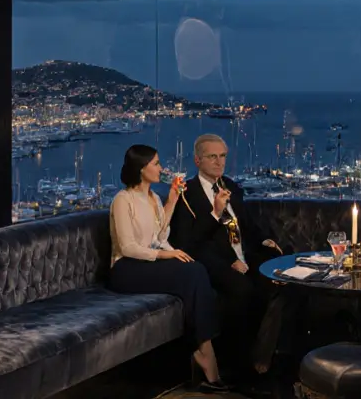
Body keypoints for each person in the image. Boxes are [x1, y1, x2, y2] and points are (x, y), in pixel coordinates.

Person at [109, 144, 228, 393]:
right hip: (126, 270)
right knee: (193, 273)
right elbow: (128, 247)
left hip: (146, 263)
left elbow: (160, 235)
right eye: (156, 164)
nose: (161, 168)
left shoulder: (153, 198)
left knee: (196, 269)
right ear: (141, 169)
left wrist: (172, 201)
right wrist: (166, 254)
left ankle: (203, 351)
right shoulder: (123, 200)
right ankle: (206, 355)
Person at [169, 133, 287, 380]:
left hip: (244, 255)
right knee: (242, 290)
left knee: (284, 279)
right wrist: (215, 214)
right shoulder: (187, 196)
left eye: (222, 156)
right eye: (212, 157)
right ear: (198, 160)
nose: (219, 162)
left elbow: (246, 224)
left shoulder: (230, 185)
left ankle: (264, 359)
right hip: (212, 263)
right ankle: (239, 366)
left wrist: (264, 239)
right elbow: (188, 244)